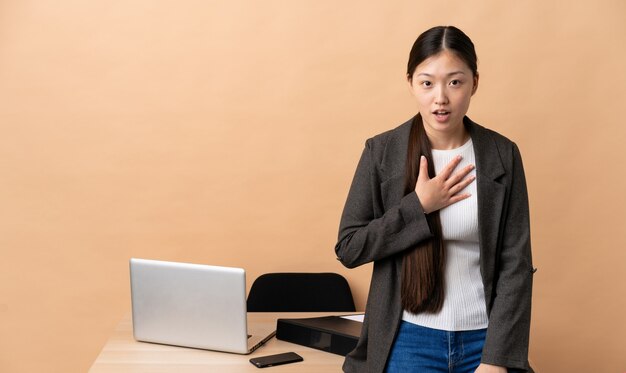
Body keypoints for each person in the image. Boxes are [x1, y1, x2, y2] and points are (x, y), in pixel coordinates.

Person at [334, 26, 535, 373]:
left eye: (455, 82)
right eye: (427, 83)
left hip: (484, 340)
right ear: (410, 82)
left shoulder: (502, 154)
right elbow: (350, 247)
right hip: (408, 339)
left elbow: (516, 264)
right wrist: (418, 207)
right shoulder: (382, 152)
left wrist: (496, 358)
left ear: (474, 82)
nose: (440, 97)